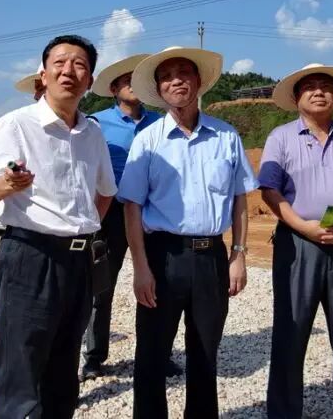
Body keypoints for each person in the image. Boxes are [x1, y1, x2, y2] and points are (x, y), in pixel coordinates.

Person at [0, 35, 117, 418]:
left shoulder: (93, 133)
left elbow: (105, 192)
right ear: (43, 74)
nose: (69, 71)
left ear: (90, 80)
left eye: (79, 64)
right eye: (60, 62)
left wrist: (80, 227)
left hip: (79, 263)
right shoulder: (17, 125)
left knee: (64, 372)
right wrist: (9, 184)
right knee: (21, 371)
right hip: (31, 258)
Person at [119, 46, 258, 418]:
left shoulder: (226, 136)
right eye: (167, 76)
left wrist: (238, 254)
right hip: (162, 257)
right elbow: (132, 207)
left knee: (205, 354)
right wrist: (140, 268)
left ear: (199, 81)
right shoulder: (148, 141)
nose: (176, 80)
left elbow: (240, 200)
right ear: (159, 90)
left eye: (184, 73)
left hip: (211, 257)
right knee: (152, 354)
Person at [259, 63, 333, 418]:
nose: (319, 91)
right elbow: (269, 190)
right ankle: (283, 412)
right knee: (290, 333)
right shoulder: (280, 138)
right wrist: (303, 227)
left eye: (326, 86)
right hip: (297, 246)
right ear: (297, 97)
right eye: (310, 86)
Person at [81, 54, 182, 381]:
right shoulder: (96, 123)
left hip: (151, 213)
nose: (132, 85)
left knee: (159, 285)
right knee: (102, 286)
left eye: (136, 80)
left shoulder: (161, 123)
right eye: (126, 81)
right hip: (111, 213)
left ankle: (158, 354)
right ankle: (94, 356)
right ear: (113, 89)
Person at [0, 62, 48, 398]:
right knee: (14, 324)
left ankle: (45, 388)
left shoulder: (85, 131)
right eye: (40, 85)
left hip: (68, 248)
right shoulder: (16, 126)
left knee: (58, 329)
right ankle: (7, 385)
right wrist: (8, 182)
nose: (43, 91)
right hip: (26, 244)